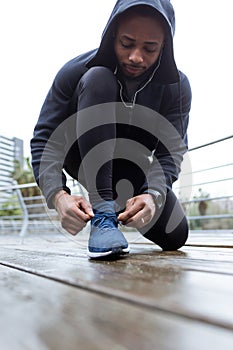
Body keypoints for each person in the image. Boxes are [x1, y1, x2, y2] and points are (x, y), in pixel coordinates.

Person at [31, 0, 192, 259]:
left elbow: (171, 152)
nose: (136, 57)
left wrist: (152, 195)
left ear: (165, 46)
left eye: (150, 48)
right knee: (99, 78)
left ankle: (117, 205)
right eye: (127, 44)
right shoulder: (74, 71)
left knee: (176, 235)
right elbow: (43, 141)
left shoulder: (177, 88)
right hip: (83, 158)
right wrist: (59, 196)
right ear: (112, 34)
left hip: (132, 169)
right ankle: (103, 212)